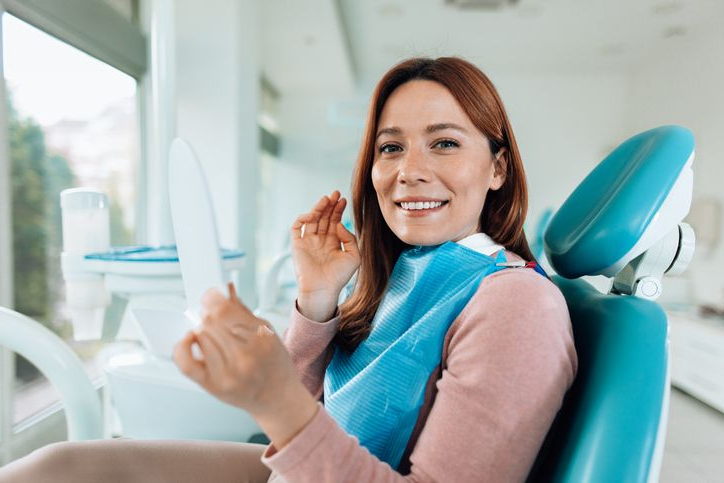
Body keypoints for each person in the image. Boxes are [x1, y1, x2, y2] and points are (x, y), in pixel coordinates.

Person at [0, 56, 577, 483]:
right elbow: (313, 418)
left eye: (445, 144)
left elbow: (292, 417)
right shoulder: (414, 271)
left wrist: (273, 398)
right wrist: (318, 298)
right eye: (391, 147)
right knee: (58, 469)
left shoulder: (518, 306)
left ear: (498, 167)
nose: (409, 172)